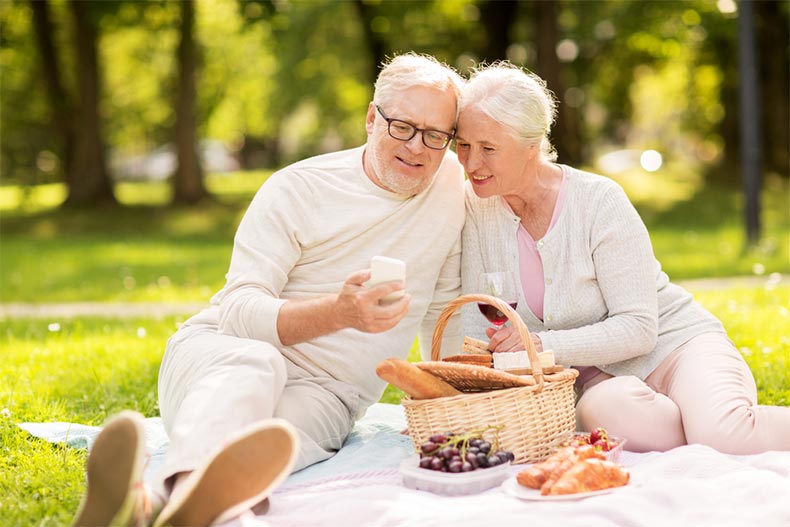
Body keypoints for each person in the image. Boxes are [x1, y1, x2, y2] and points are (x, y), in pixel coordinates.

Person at [72, 52, 466, 527]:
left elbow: (444, 311)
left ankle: (153, 505)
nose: (418, 148)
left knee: (267, 445)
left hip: (328, 394)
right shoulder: (299, 188)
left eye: (436, 135)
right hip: (222, 353)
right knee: (256, 364)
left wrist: (445, 405)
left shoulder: (451, 190)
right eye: (402, 126)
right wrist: (339, 314)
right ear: (370, 118)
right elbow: (238, 308)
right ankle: (166, 497)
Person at [456, 62, 790, 455]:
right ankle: (702, 423)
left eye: (488, 149)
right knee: (599, 411)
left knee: (724, 435)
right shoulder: (476, 209)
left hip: (677, 348)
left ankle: (715, 422)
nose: (471, 163)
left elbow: (638, 328)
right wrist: (459, 398)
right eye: (463, 145)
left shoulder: (598, 200)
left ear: (532, 145)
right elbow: (478, 328)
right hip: (608, 388)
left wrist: (539, 344)